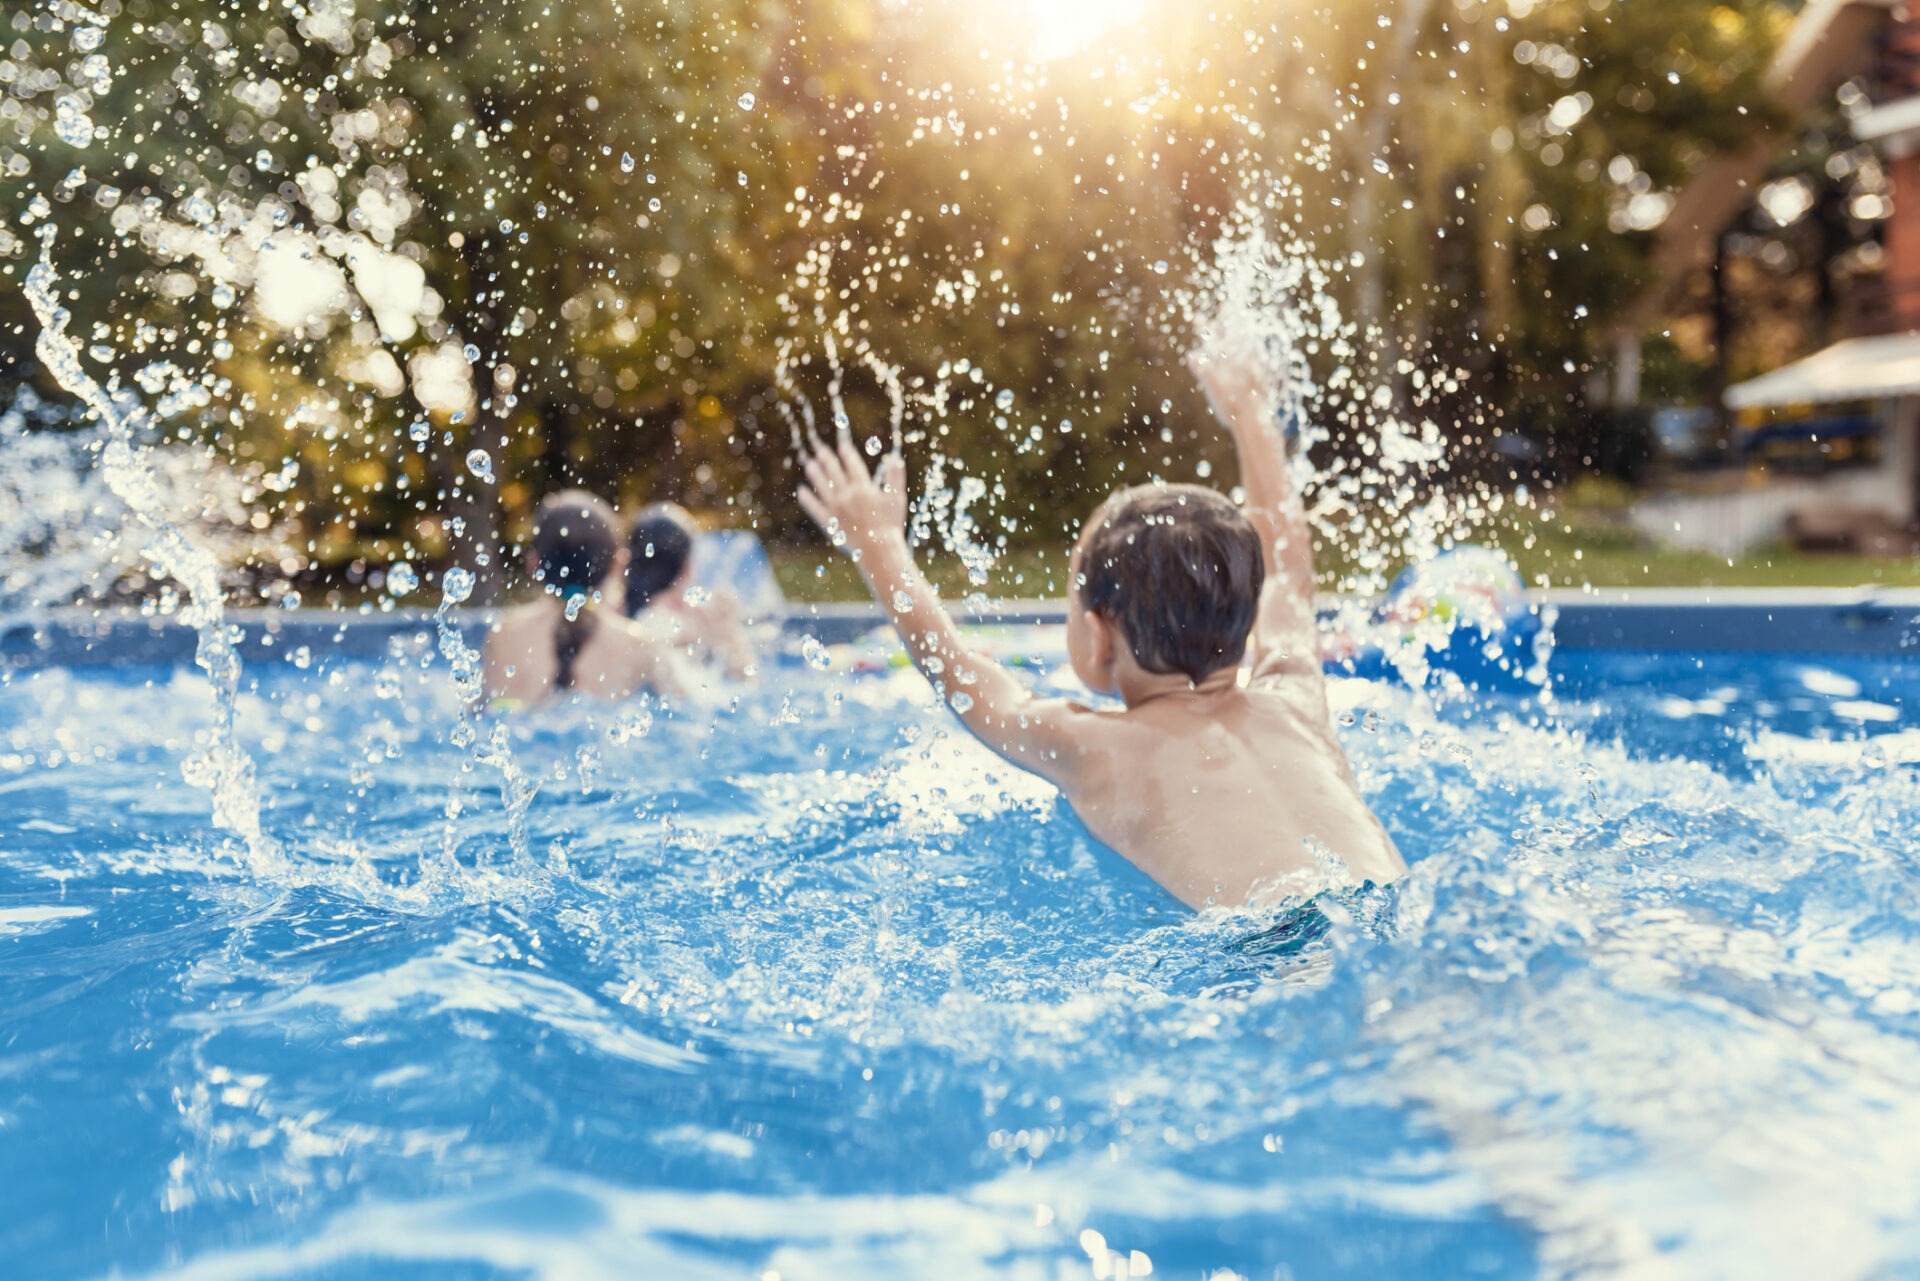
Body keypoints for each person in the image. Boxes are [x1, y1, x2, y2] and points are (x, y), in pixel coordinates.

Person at [796, 344, 1405, 911]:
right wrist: (1250, 414)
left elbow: (961, 675)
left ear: (1099, 633)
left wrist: (879, 549)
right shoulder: (1295, 697)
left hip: (1275, 950)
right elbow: (1290, 575)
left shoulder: (1096, 748)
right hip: (1390, 913)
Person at [483, 490, 686, 706]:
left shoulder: (504, 635)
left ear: (534, 564)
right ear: (617, 564)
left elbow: (482, 713)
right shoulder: (640, 646)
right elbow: (686, 709)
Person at [623, 503, 757, 678]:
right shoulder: (692, 623)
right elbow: (747, 678)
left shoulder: (615, 611)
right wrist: (728, 629)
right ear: (687, 566)